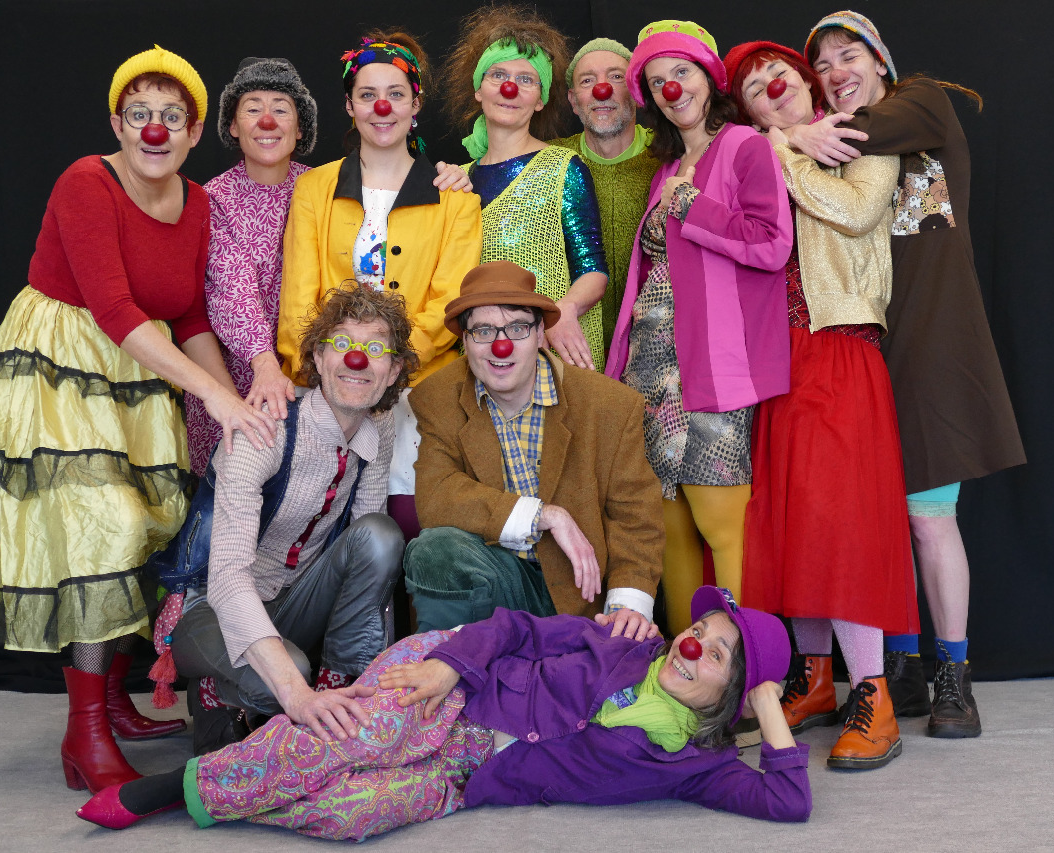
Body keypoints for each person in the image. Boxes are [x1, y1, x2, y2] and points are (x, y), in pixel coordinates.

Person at [0, 46, 278, 794]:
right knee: (98, 528)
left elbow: (191, 317)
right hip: (60, 362)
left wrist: (237, 403)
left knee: (149, 524)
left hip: (139, 368)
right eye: (139, 113)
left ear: (195, 132)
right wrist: (213, 396)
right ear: (117, 122)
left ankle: (112, 698)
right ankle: (85, 731)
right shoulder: (87, 181)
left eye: (171, 116)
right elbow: (112, 308)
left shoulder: (198, 204)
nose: (154, 129)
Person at [76, 586, 811, 838]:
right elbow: (515, 628)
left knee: (354, 813)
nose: (692, 645)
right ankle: (178, 788)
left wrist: (768, 700)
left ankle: (241, 786)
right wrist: (448, 664)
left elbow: (788, 801)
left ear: (734, 695)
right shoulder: (620, 640)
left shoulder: (697, 767)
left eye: (718, 654)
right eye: (701, 630)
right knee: (358, 736)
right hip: (456, 681)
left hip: (470, 777)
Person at [787, 11, 1026, 738]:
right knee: (873, 521)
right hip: (862, 348)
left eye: (849, 55)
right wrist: (798, 140)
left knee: (927, 519)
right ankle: (903, 667)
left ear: (881, 61)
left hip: (934, 345)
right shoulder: (830, 152)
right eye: (822, 64)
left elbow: (858, 132)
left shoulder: (921, 103)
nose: (836, 72)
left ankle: (955, 675)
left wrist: (790, 134)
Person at [726, 40, 917, 769]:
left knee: (842, 525)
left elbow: (858, 211)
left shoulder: (864, 137)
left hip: (840, 345)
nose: (770, 85)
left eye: (777, 72)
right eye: (753, 88)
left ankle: (874, 694)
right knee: (792, 524)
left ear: (805, 81)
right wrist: (774, 145)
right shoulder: (756, 152)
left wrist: (786, 149)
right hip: (779, 358)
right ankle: (814, 680)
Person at [605, 21, 793, 634]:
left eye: (681, 73)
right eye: (658, 81)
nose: (672, 88)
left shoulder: (744, 146)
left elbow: (771, 243)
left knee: (721, 520)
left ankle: (739, 665)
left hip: (713, 365)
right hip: (653, 368)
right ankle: (682, 666)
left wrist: (692, 205)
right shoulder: (666, 168)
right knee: (668, 526)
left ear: (709, 78)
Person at [169, 285, 414, 755]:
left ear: (394, 369)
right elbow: (226, 579)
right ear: (318, 358)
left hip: (294, 602)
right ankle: (217, 695)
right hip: (210, 608)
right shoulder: (264, 429)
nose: (357, 359)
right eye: (341, 343)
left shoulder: (378, 427)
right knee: (290, 676)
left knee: (381, 535)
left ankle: (341, 691)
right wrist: (295, 692)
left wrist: (373, 674)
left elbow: (368, 561)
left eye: (375, 348)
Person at [278, 31, 483, 539]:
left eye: (395, 94)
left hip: (416, 387)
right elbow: (299, 296)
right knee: (315, 527)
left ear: (415, 104)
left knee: (410, 528)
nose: (382, 107)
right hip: (328, 383)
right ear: (350, 106)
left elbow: (451, 301)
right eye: (367, 95)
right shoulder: (314, 188)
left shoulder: (456, 200)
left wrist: (388, 368)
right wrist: (327, 372)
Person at [403, 261, 663, 634]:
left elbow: (635, 517)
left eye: (517, 328)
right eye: (483, 331)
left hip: (578, 601)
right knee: (434, 549)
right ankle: (449, 661)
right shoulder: (437, 397)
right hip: (495, 581)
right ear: (465, 340)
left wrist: (626, 607)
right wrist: (545, 515)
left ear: (541, 333)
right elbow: (437, 495)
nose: (501, 346)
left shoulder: (609, 405)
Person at [444, 5, 609, 371]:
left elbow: (593, 270)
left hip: (551, 355)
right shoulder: (458, 181)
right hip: (480, 357)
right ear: (478, 89)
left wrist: (564, 311)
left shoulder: (563, 168)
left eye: (526, 79)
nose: (510, 88)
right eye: (498, 75)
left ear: (541, 99)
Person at [185, 57, 318, 476]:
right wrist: (264, 365)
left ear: (300, 128)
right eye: (252, 108)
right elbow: (231, 286)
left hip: (311, 376)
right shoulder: (212, 200)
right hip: (234, 380)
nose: (267, 120)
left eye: (281, 108)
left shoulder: (322, 190)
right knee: (232, 490)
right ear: (233, 126)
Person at [548, 38, 660, 353]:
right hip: (576, 351)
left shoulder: (671, 155)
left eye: (616, 77)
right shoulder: (549, 161)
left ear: (636, 91)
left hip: (656, 350)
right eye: (588, 81)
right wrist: (458, 174)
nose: (602, 90)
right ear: (573, 100)